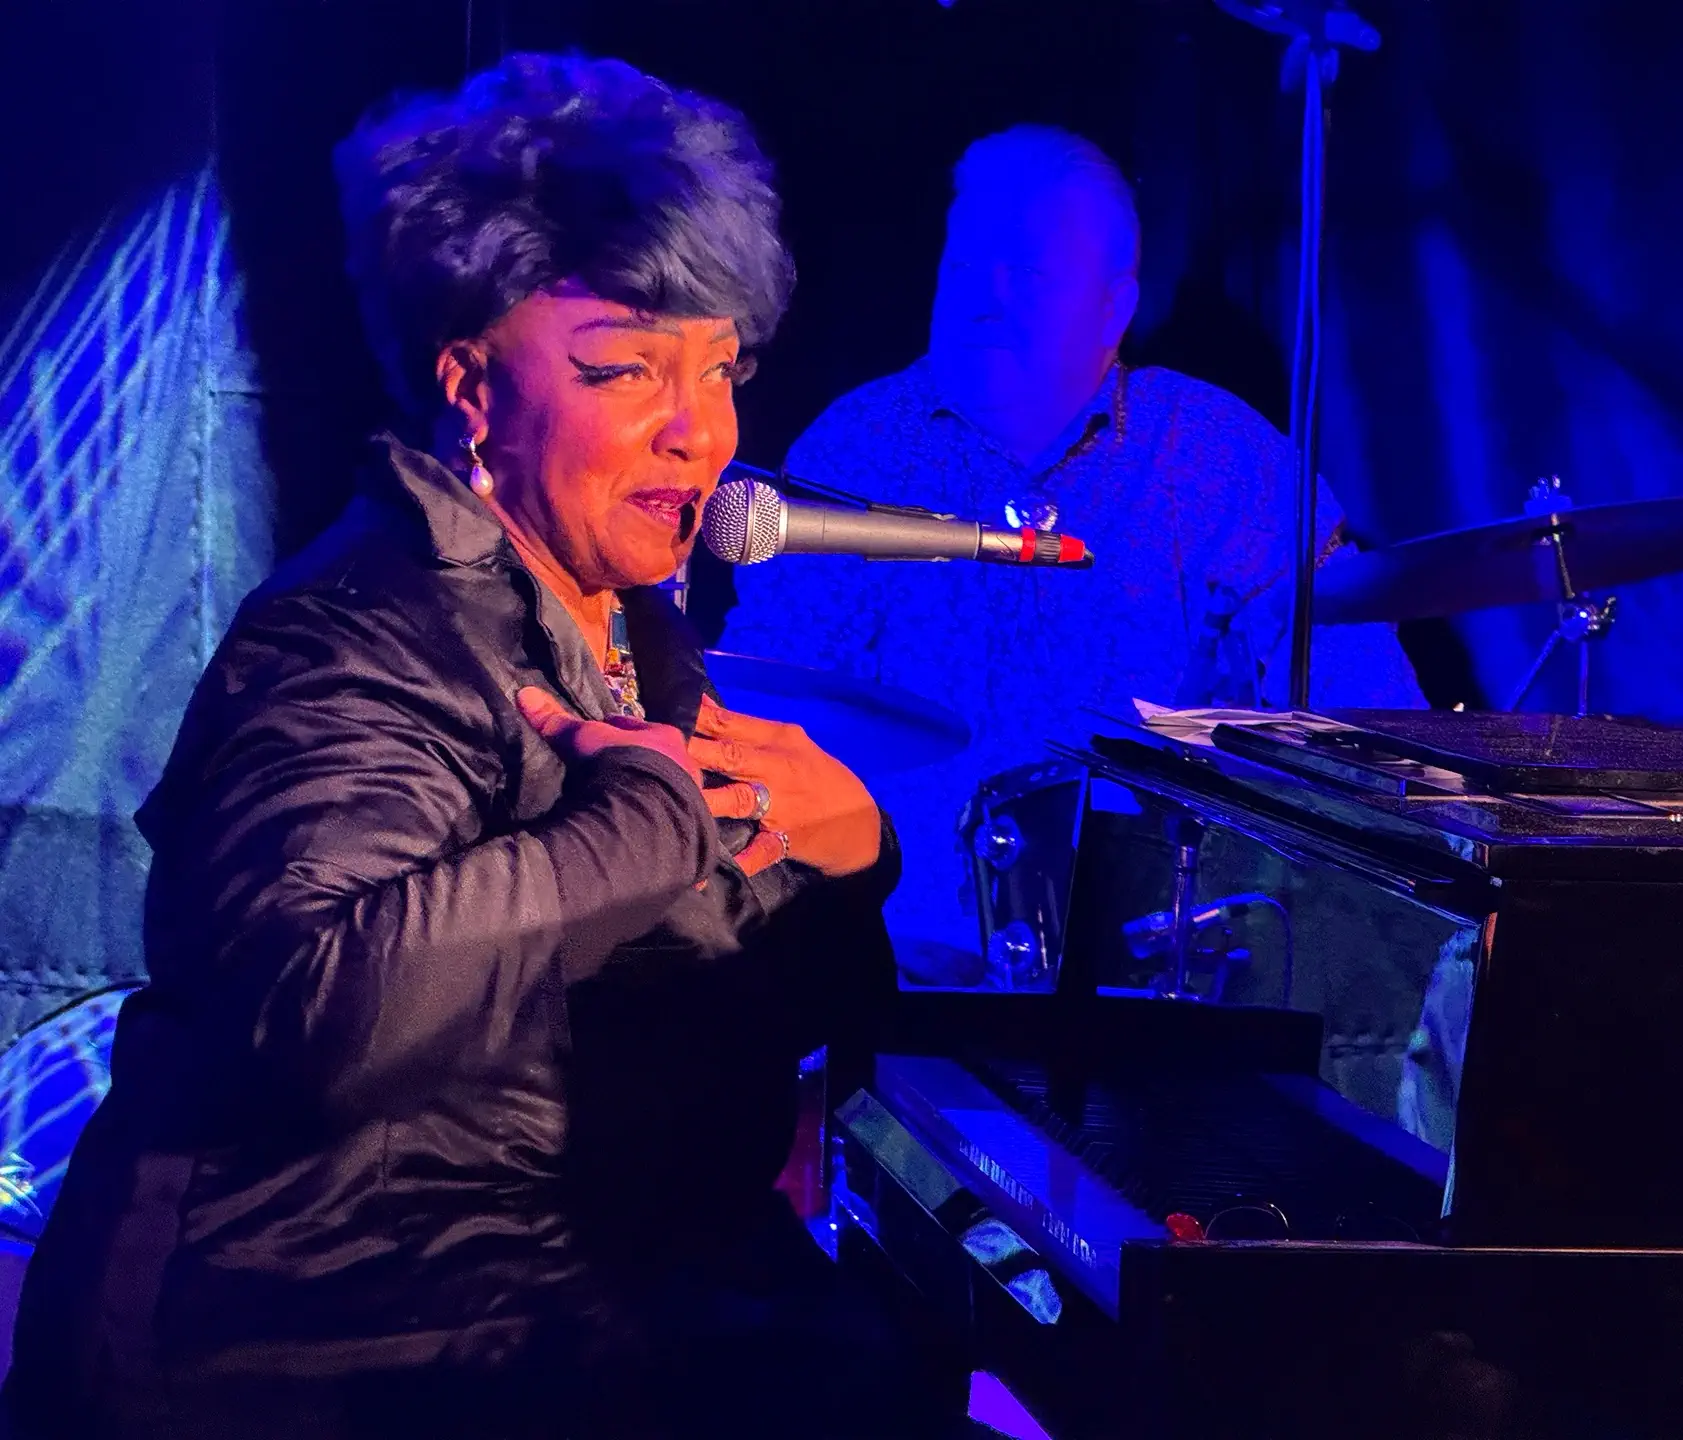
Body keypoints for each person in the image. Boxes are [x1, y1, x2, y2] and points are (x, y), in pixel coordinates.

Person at [1, 55, 968, 1440]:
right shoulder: (353, 639)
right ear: (471, 384)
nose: (698, 433)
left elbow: (736, 1013)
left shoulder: (632, 625)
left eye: (719, 369)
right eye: (625, 369)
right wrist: (643, 821)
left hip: (562, 1299)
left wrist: (853, 858)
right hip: (303, 1349)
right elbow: (318, 1009)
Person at [723, 125, 1425, 983]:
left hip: (1165, 966)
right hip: (897, 960)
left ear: (1112, 308)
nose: (982, 302)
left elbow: (1364, 714)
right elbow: (767, 705)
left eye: (1025, 275)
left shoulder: (1217, 452)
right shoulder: (856, 449)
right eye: (963, 268)